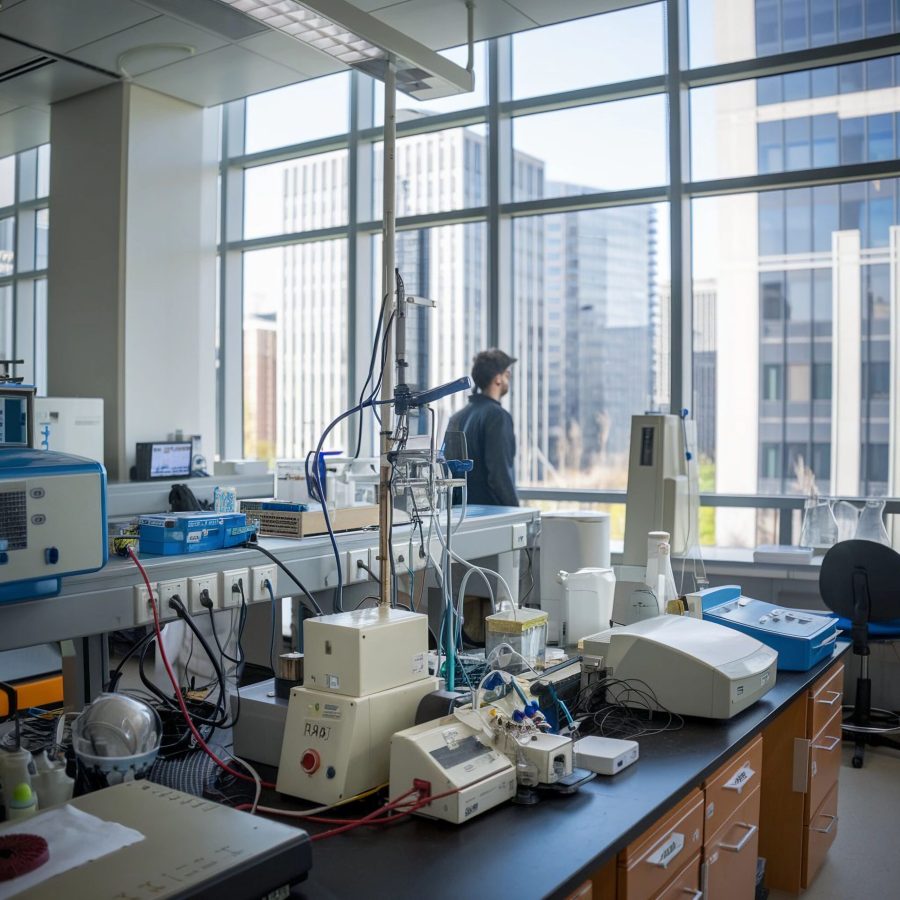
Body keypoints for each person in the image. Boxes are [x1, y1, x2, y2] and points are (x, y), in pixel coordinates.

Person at [444, 349, 519, 507]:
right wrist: (517, 512)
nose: (508, 379)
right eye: (507, 374)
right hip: (492, 514)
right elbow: (500, 475)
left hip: (459, 513)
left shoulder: (456, 418)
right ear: (498, 379)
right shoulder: (498, 416)